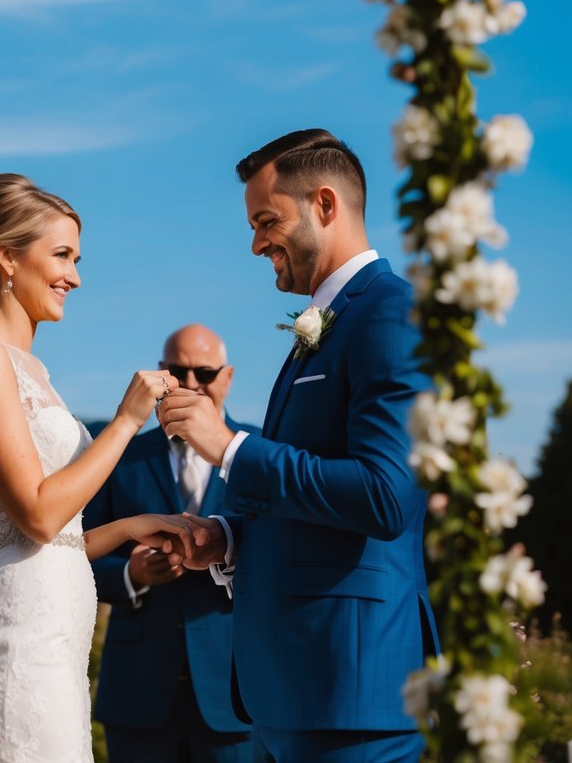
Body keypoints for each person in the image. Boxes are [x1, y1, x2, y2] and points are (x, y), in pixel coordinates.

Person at [0, 172, 206, 763]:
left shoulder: (35, 372)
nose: (75, 277)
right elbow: (36, 516)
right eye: (61, 255)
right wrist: (123, 421)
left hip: (54, 646)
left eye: (76, 258)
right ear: (8, 257)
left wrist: (133, 526)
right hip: (16, 647)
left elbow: (51, 538)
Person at [158, 129, 438, 763]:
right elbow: (314, 500)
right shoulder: (321, 329)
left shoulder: (393, 314)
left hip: (354, 690)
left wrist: (229, 448)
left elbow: (384, 495)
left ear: (326, 205)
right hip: (292, 691)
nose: (256, 243)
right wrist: (228, 540)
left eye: (267, 221)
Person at [85, 323, 256, 763]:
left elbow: (283, 550)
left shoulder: (262, 453)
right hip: (138, 694)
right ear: (162, 373)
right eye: (180, 371)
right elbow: (74, 555)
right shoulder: (120, 455)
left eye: (206, 372)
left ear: (229, 376)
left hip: (235, 693)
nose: (193, 383)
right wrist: (131, 574)